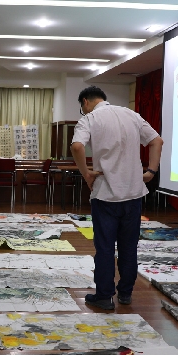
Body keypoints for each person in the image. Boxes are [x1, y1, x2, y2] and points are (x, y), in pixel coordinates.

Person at [70, 86, 163, 311]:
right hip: (133, 193)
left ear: (85, 102)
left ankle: (104, 296)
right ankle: (126, 293)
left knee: (105, 248)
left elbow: (77, 146)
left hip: (105, 194)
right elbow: (157, 141)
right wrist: (151, 171)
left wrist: (86, 173)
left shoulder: (89, 119)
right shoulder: (131, 115)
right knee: (129, 247)